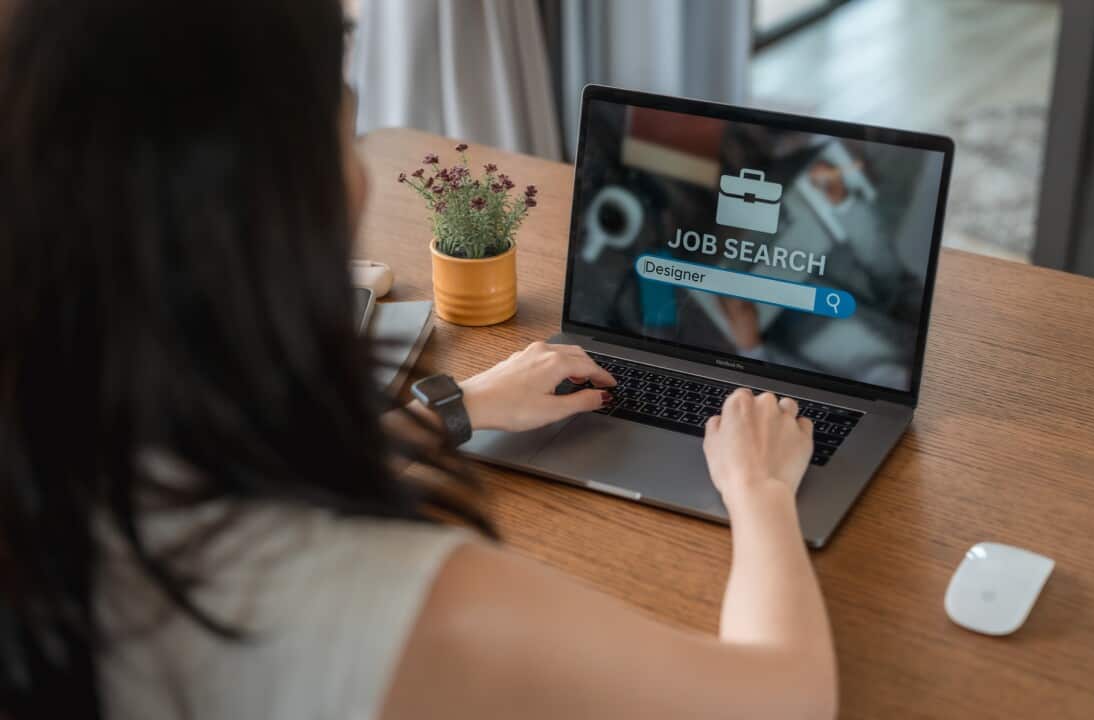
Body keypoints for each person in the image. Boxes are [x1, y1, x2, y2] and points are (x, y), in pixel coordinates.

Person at [0, 1, 836, 719]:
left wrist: (459, 403)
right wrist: (760, 494)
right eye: (344, 102)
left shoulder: (58, 455)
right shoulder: (405, 610)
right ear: (289, 193)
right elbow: (782, 699)